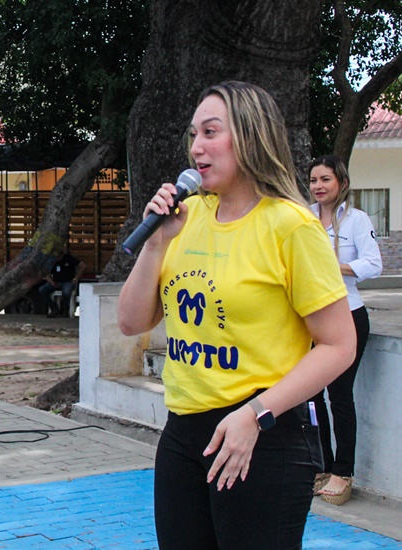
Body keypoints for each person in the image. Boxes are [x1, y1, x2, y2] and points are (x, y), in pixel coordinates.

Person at [117, 81, 356, 549]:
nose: (196, 147)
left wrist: (255, 414)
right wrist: (157, 242)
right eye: (192, 135)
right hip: (184, 433)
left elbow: (339, 344)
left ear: (250, 136)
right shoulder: (185, 217)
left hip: (262, 434)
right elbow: (131, 322)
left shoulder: (291, 226)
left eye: (210, 132)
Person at [308, 155, 382, 505]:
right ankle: (320, 465)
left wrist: (335, 267)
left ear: (341, 182)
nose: (319, 186)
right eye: (313, 180)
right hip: (309, 318)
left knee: (339, 396)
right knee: (309, 395)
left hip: (347, 316)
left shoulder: (356, 219)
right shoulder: (304, 217)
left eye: (325, 179)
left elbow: (373, 263)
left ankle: (343, 472)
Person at [38, 251, 85, 317]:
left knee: (67, 291)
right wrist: (51, 282)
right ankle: (54, 308)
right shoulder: (52, 261)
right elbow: (47, 274)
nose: (57, 258)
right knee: (42, 290)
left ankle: (65, 309)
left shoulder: (69, 258)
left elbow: (82, 265)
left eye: (58, 257)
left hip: (68, 282)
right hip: (56, 282)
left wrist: (77, 277)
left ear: (62, 255)